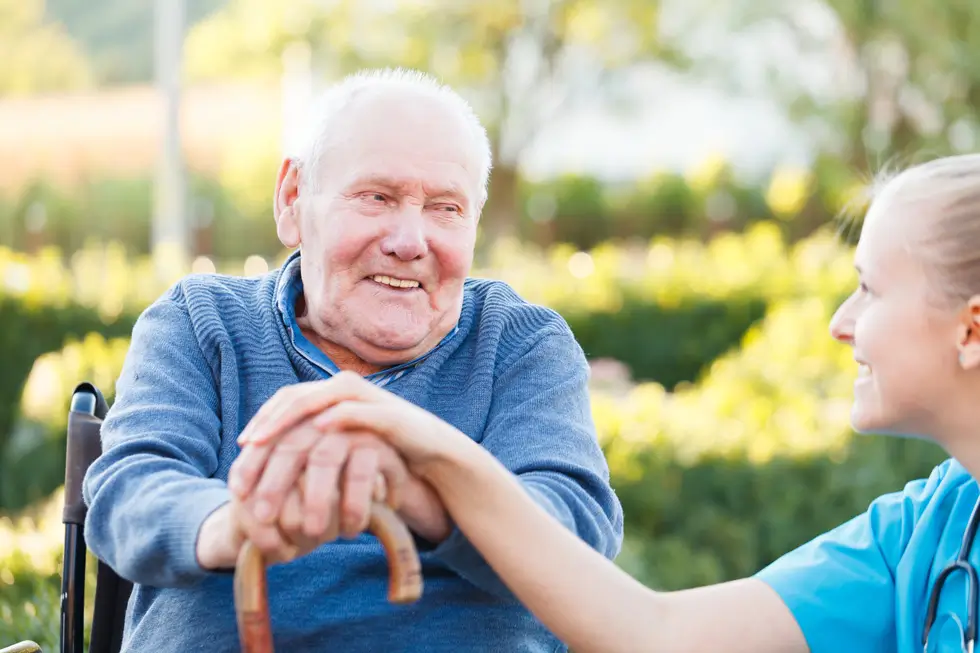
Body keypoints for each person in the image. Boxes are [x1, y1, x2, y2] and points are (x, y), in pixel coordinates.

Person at [236, 153, 980, 652]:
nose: (839, 322)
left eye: (870, 289)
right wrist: (429, 447)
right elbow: (649, 630)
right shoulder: (930, 526)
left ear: (971, 327)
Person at [81, 67, 624, 652]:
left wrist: (414, 490)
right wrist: (235, 523)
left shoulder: (521, 343)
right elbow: (128, 492)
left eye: (446, 208)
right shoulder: (201, 321)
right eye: (377, 198)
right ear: (293, 200)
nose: (411, 241)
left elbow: (577, 535)